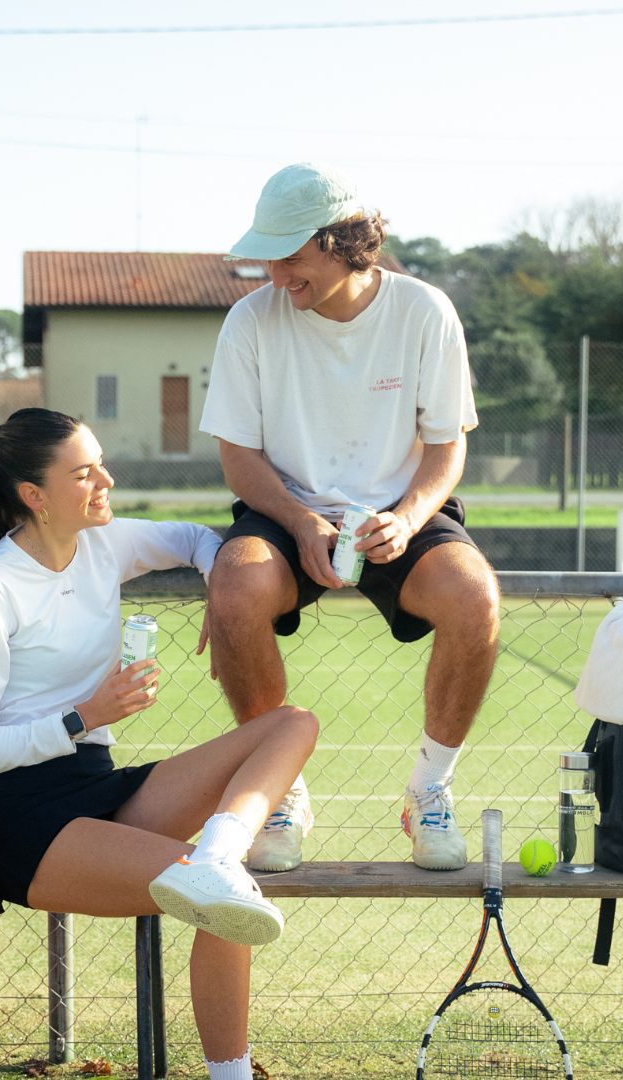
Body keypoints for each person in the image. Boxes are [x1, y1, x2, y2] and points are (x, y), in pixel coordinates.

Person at [0, 408, 318, 1080]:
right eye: (84, 473)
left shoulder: (104, 543)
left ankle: (218, 856)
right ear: (34, 496)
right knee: (227, 903)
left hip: (98, 785)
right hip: (23, 819)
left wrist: (221, 597)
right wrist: (81, 718)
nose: (106, 480)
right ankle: (233, 1074)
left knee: (293, 724)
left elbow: (200, 540)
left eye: (101, 462)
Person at [198, 162, 501, 874]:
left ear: (343, 242)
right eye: (268, 257)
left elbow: (446, 448)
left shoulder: (425, 311)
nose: (276, 275)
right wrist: (302, 521)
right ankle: (279, 792)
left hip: (401, 511)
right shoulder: (249, 320)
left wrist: (406, 516)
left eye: (291, 257)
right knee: (235, 590)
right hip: (283, 505)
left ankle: (429, 792)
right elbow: (239, 459)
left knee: (477, 600)